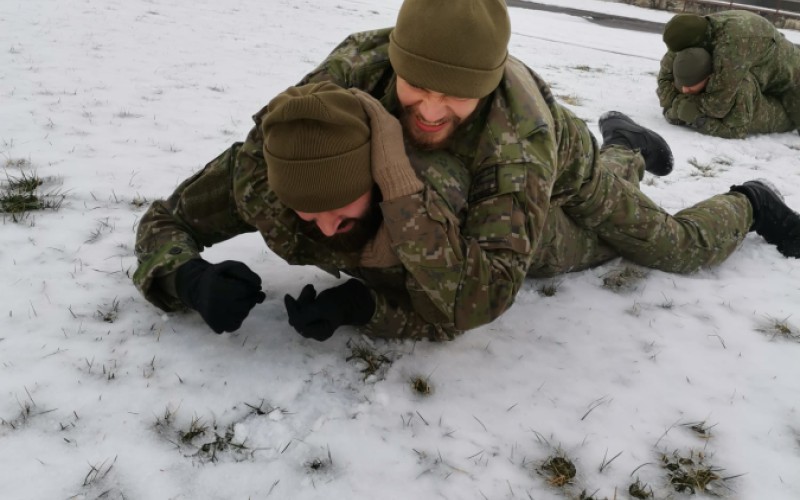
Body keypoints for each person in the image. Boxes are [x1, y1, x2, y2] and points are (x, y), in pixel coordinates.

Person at [133, 1, 800, 341]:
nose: (430, 110)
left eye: (456, 95)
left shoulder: (518, 144)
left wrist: (370, 290)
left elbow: (475, 301)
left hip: (562, 167)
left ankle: (747, 199)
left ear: (486, 85)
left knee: (665, 248)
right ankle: (626, 142)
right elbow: (175, 215)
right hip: (459, 188)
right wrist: (184, 278)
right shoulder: (336, 96)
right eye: (415, 86)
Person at [656, 10, 800, 137]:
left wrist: (686, 109)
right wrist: (674, 104)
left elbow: (719, 104)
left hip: (792, 80)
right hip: (758, 69)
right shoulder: (693, 32)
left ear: (697, 42)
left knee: (794, 118)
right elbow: (665, 75)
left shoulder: (731, 44)